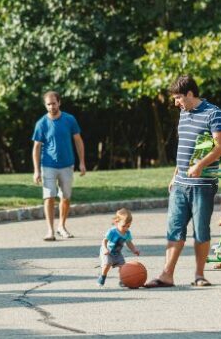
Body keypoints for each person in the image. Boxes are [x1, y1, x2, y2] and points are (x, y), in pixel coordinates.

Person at [145, 75, 221, 289]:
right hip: (180, 182)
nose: (176, 102)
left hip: (203, 183)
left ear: (190, 94)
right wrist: (175, 174)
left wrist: (200, 166)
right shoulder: (183, 114)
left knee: (201, 230)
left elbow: (220, 147)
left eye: (179, 97)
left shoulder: (214, 113)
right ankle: (166, 275)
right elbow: (184, 147)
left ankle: (199, 275)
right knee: (174, 229)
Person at [32, 91, 86, 241]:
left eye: (54, 103)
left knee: (66, 197)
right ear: (45, 105)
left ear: (59, 103)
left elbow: (78, 140)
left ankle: (61, 226)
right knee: (49, 196)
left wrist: (82, 162)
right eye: (48, 104)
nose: (51, 107)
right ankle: (50, 230)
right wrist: (36, 170)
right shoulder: (41, 123)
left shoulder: (69, 120)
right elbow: (36, 147)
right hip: (48, 165)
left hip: (67, 165)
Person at [97, 208, 140, 288]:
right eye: (124, 226)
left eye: (128, 226)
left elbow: (129, 242)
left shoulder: (127, 233)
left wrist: (134, 249)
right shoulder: (112, 232)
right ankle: (102, 276)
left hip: (117, 253)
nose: (126, 228)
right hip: (107, 251)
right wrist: (105, 249)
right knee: (107, 264)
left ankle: (122, 280)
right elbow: (104, 241)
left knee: (123, 267)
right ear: (117, 222)